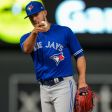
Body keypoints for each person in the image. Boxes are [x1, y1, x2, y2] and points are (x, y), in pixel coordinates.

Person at [20, 1, 87, 112]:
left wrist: (82, 81)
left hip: (63, 85)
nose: (34, 19)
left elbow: (79, 56)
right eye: (31, 17)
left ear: (45, 13)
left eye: (36, 14)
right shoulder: (27, 37)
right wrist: (34, 33)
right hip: (44, 87)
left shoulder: (64, 31)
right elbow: (27, 49)